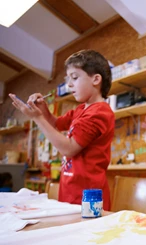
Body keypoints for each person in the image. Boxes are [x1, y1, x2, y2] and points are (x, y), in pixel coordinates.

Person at [9, 49, 114, 210]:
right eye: (68, 79)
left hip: (88, 196)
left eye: (75, 77)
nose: (69, 84)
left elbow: (69, 148)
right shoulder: (80, 110)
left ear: (96, 79)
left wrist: (37, 118)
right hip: (70, 190)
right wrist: (43, 109)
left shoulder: (99, 112)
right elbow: (56, 123)